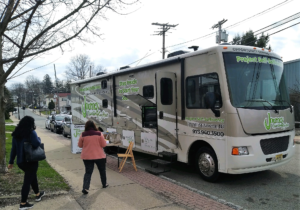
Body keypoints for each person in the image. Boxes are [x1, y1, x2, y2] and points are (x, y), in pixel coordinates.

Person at [8, 116, 45, 210]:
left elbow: (14, 149)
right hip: (31, 161)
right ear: (30, 124)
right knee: (27, 181)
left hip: (21, 162)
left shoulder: (16, 134)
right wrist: (39, 139)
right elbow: (36, 143)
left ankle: (38, 194)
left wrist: (11, 161)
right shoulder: (31, 132)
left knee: (32, 176)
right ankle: (23, 203)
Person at [78, 120, 108, 195]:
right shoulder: (99, 133)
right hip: (99, 156)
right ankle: (104, 184)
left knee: (88, 172)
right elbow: (104, 145)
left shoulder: (83, 134)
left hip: (87, 156)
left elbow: (80, 145)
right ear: (94, 126)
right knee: (102, 171)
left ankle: (85, 187)